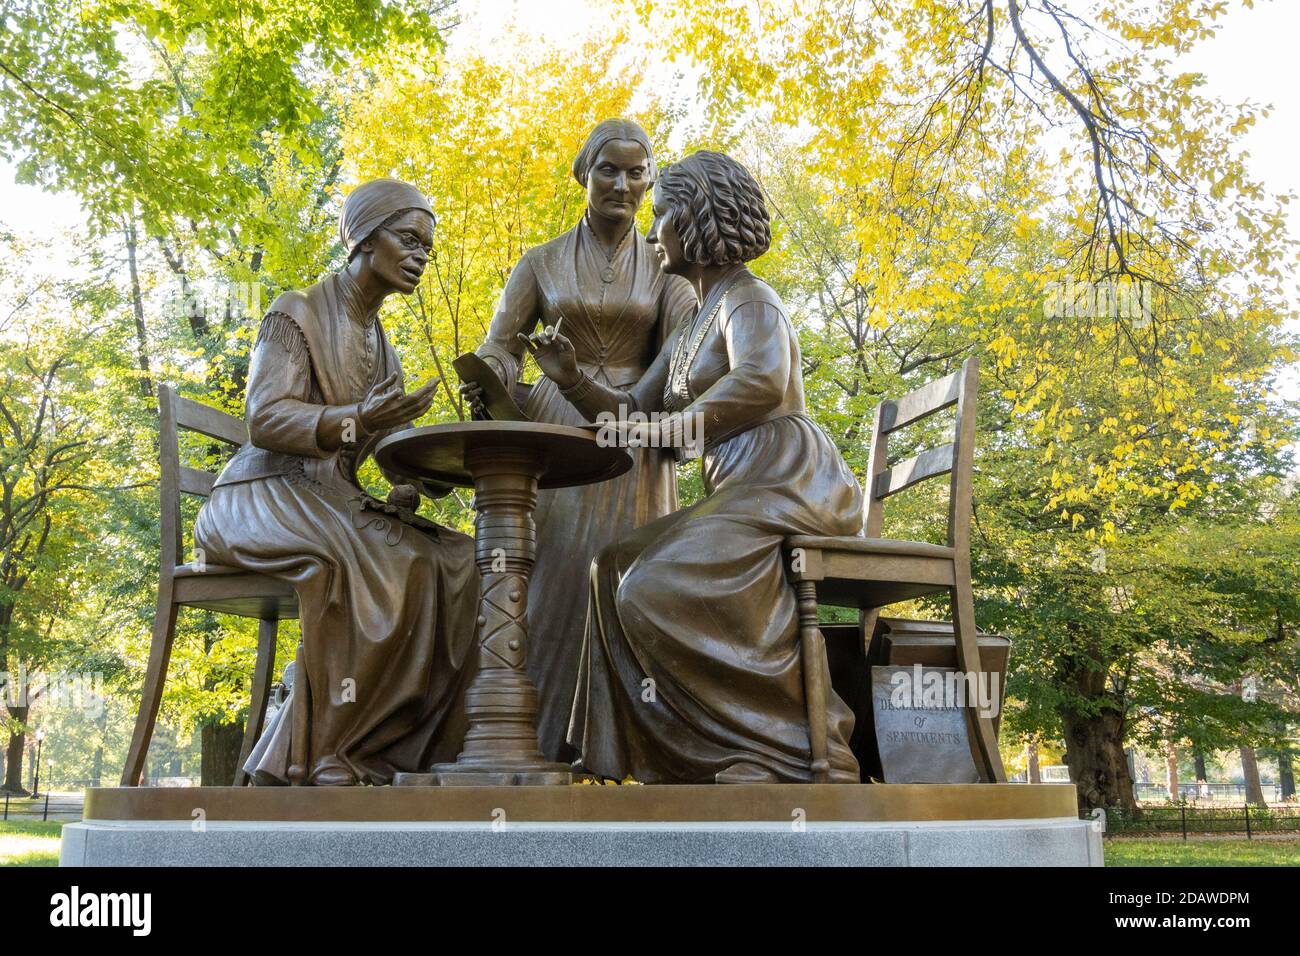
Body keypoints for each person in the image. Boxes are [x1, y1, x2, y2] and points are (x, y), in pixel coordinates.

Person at [521, 151, 863, 783]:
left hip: (786, 479)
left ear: (695, 220)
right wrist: (571, 382)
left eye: (662, 216)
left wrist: (672, 428)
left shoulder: (749, 299)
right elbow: (630, 408)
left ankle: (791, 748)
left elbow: (761, 381)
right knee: (610, 566)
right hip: (739, 485)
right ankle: (651, 754)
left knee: (654, 586)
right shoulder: (692, 320)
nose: (652, 234)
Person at [194, 179, 479, 786]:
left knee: (458, 558)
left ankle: (396, 747)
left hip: (328, 499)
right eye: (407, 239)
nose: (420, 256)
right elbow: (265, 418)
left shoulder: (386, 353)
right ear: (360, 238)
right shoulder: (294, 311)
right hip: (260, 494)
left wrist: (426, 478)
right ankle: (328, 752)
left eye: (427, 246)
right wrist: (356, 422)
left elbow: (380, 456)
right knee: (371, 559)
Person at [459, 119, 696, 761]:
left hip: (631, 433)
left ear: (650, 179)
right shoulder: (539, 262)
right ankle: (531, 739)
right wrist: (489, 377)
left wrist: (631, 403)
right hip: (553, 426)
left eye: (637, 171)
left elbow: (683, 345)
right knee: (549, 568)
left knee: (627, 574)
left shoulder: (667, 261)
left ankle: (622, 744)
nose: (623, 184)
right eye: (608, 171)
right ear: (583, 175)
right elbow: (501, 345)